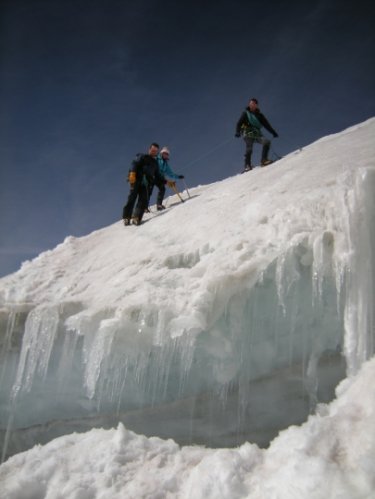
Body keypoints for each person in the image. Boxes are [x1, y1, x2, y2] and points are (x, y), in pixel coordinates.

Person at [122, 143, 164, 226]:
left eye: (155, 151)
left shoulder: (155, 164)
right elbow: (134, 163)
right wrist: (132, 173)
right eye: (152, 150)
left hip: (146, 183)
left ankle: (136, 217)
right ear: (149, 150)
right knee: (132, 197)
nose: (153, 152)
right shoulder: (142, 156)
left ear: (157, 152)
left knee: (143, 199)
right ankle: (127, 217)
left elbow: (158, 175)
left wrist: (165, 181)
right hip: (136, 179)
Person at [235, 98, 278, 171]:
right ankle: (247, 165)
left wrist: (273, 132)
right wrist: (237, 132)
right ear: (249, 104)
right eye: (251, 103)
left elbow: (266, 125)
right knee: (249, 147)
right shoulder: (245, 113)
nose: (252, 105)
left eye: (254, 104)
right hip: (247, 133)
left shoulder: (260, 116)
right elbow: (239, 123)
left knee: (266, 142)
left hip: (257, 133)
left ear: (256, 105)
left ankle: (264, 160)